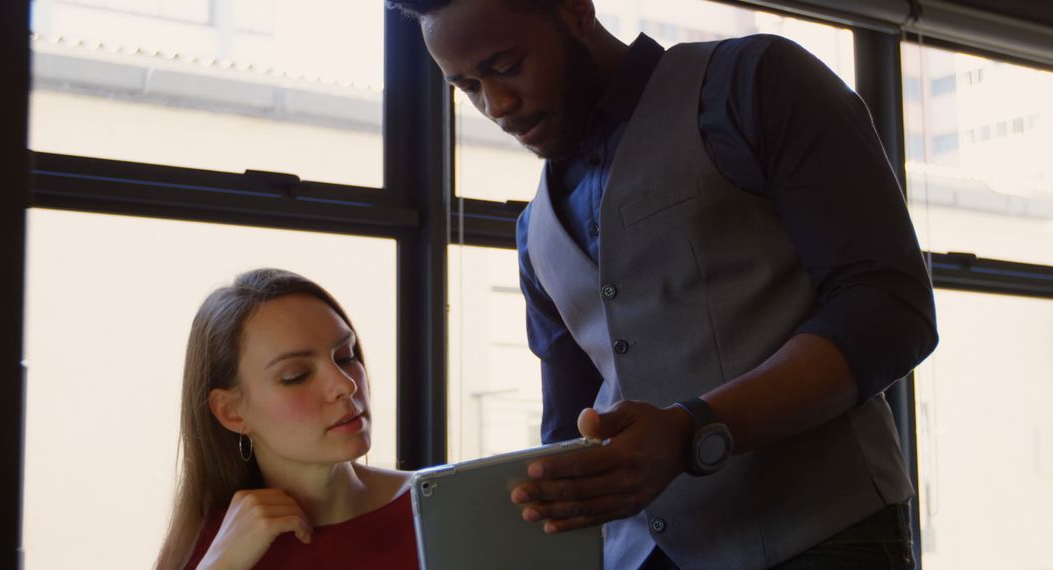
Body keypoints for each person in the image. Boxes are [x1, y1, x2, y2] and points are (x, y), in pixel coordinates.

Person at [388, 0, 938, 568]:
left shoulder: (754, 81)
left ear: (576, 11)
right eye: (468, 86)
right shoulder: (535, 233)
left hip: (823, 540)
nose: (496, 105)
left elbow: (889, 307)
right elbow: (568, 430)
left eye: (506, 66)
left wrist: (692, 429)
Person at [156, 268, 419, 570]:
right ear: (231, 412)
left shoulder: (446, 507)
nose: (346, 384)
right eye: (297, 375)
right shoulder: (212, 553)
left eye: (346, 356)